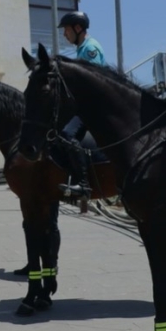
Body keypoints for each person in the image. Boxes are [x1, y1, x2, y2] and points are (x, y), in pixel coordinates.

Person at [56, 11, 106, 197]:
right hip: (84, 104)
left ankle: (83, 183)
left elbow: (91, 81)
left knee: (68, 134)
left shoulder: (90, 48)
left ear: (78, 28)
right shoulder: (82, 49)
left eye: (66, 30)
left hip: (91, 105)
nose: (64, 34)